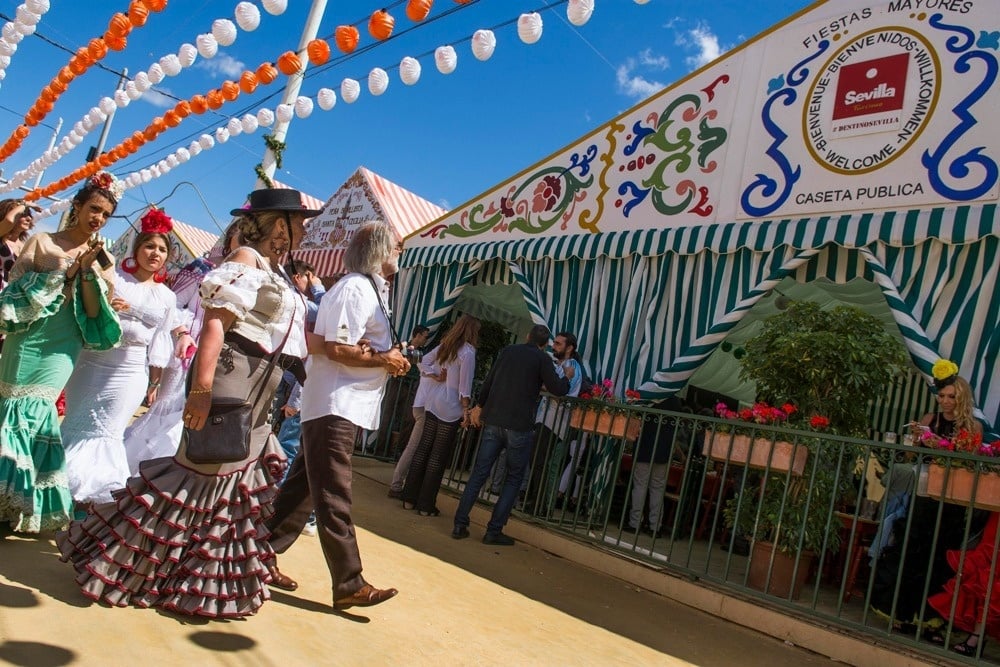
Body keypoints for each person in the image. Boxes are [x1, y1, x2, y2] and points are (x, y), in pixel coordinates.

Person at [56, 187, 314, 617]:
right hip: (232, 380)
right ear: (279, 224)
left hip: (262, 386)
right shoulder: (246, 261)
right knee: (193, 477)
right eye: (301, 221)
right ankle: (116, 565)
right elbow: (215, 326)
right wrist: (200, 390)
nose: (306, 228)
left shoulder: (276, 269)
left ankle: (191, 581)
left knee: (227, 489)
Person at [265, 221, 409, 610]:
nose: (399, 252)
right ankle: (349, 582)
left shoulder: (369, 289)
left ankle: (256, 556)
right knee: (334, 494)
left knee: (302, 490)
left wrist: (385, 357)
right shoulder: (354, 288)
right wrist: (385, 358)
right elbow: (337, 347)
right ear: (379, 252)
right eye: (395, 247)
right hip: (334, 403)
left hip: (340, 403)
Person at [0, 174, 123, 533]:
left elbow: (94, 311)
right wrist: (67, 270)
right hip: (29, 336)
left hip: (64, 343)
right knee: (11, 411)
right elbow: (15, 295)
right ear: (77, 207)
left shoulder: (105, 259)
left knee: (39, 414)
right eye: (93, 209)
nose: (98, 218)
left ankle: (16, 504)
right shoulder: (42, 242)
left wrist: (87, 272)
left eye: (105, 214)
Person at [61, 207, 179, 508]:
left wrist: (155, 383)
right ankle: (54, 490)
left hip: (129, 373)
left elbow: (161, 342)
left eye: (162, 249)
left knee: (108, 432)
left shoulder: (167, 296)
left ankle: (86, 499)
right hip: (90, 364)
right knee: (74, 424)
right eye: (150, 246)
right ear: (136, 249)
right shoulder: (115, 279)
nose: (155, 253)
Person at [869, 359, 986, 636]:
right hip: (924, 495)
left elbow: (969, 463)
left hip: (952, 501)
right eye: (942, 396)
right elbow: (912, 458)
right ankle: (901, 613)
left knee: (938, 558)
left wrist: (944, 447)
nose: (945, 401)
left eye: (951, 397)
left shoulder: (972, 427)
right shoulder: (928, 420)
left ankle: (930, 619)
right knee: (911, 551)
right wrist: (918, 439)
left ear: (962, 398)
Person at [122, 221, 241, 475]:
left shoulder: (246, 279)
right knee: (165, 407)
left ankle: (169, 475)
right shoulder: (202, 268)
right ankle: (135, 470)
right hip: (184, 351)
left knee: (185, 418)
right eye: (241, 237)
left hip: (218, 359)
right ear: (230, 238)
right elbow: (171, 305)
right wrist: (185, 334)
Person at [452, 324, 570, 545]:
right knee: (514, 477)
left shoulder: (508, 351)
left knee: (479, 473)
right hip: (519, 425)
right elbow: (558, 388)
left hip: (494, 420)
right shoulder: (542, 359)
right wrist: (567, 378)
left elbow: (489, 381)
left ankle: (460, 523)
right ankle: (494, 530)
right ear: (544, 344)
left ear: (527, 336)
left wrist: (480, 405)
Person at [401, 314, 479, 516]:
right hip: (451, 405)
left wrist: (433, 375)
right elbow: (465, 386)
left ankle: (409, 496)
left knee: (423, 449)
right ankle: (425, 504)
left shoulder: (446, 345)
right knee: (438, 456)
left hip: (433, 400)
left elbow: (424, 359)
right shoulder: (468, 352)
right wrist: (466, 409)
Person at [527, 331, 583, 514]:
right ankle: (535, 502)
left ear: (570, 348)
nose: (554, 346)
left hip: (554, 422)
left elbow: (563, 394)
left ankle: (539, 505)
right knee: (537, 461)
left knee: (540, 462)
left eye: (559, 344)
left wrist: (544, 386)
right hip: (545, 418)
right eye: (554, 343)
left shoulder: (572, 366)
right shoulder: (559, 365)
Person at [387, 325, 433, 499]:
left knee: (407, 422)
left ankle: (396, 451)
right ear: (418, 335)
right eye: (425, 336)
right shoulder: (404, 346)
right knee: (389, 414)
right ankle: (382, 446)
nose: (426, 339)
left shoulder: (424, 353)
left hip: (412, 390)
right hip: (400, 384)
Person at [628, 396, 682, 535]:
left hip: (645, 447)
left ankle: (635, 523)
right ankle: (655, 527)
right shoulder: (675, 401)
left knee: (640, 485)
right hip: (663, 450)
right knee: (658, 488)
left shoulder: (650, 395)